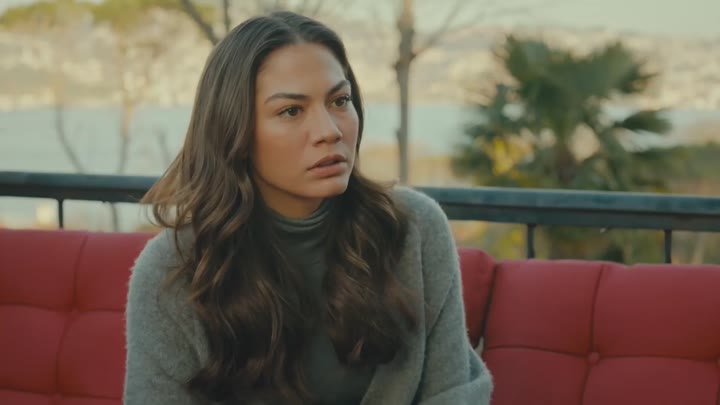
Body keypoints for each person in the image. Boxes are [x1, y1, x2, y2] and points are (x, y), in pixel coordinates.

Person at [123, 10, 493, 405]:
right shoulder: (173, 270)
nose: (329, 131)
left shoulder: (413, 227)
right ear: (235, 131)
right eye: (291, 111)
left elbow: (453, 391)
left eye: (340, 101)